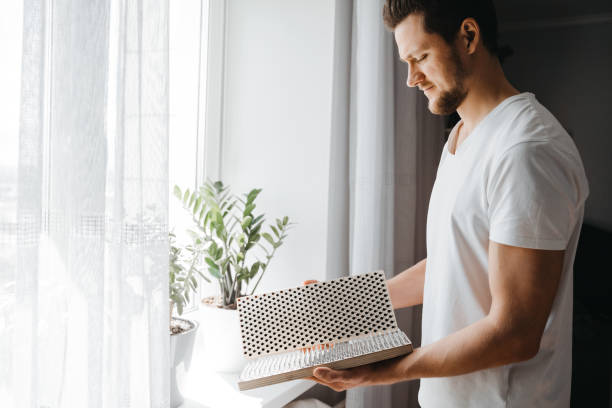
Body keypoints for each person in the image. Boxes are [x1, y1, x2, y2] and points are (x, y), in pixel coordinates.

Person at [308, 1, 589, 407]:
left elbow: (515, 332)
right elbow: (456, 264)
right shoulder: (461, 136)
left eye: (420, 57)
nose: (410, 78)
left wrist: (385, 370)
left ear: (469, 36)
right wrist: (353, 301)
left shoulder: (526, 151)